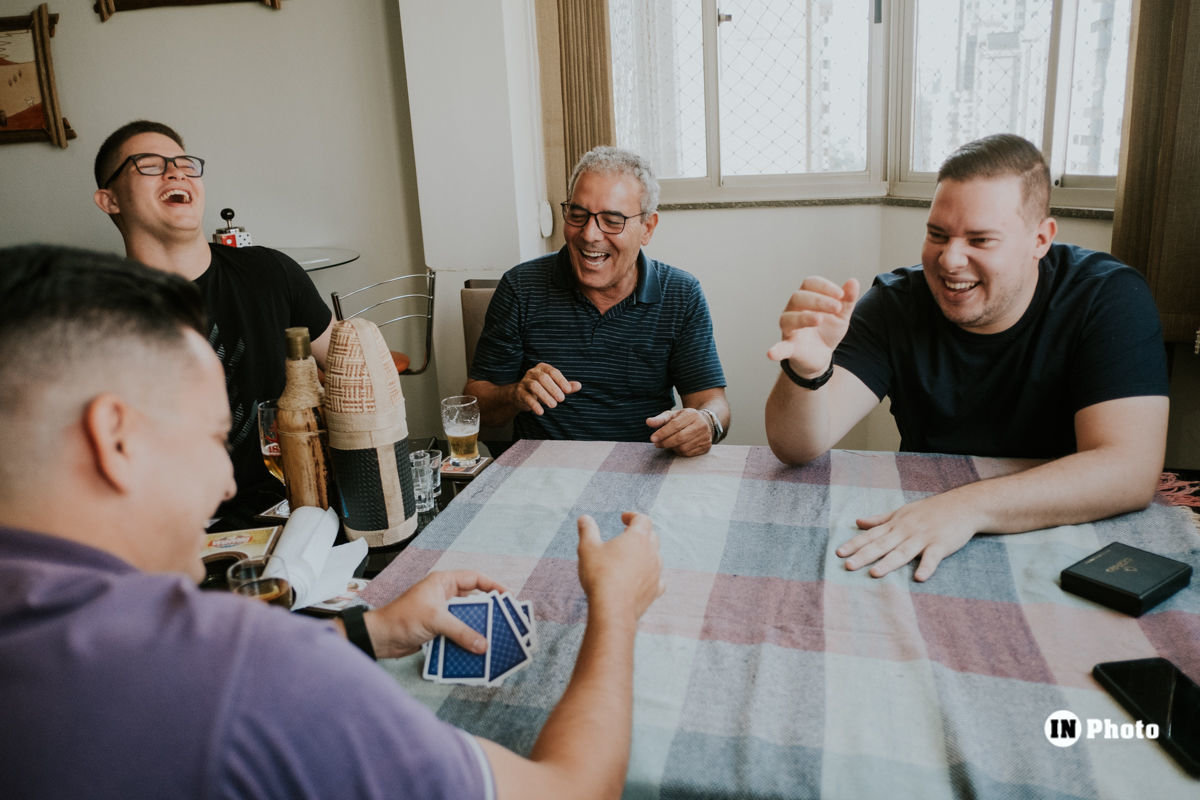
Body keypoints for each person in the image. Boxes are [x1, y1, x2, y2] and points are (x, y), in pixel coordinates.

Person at [0, 244, 666, 798]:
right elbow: (573, 791)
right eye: (211, 438)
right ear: (117, 439)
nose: (230, 480)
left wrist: (370, 628)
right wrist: (615, 607)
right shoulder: (243, 667)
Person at [764, 134, 1169, 582]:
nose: (950, 259)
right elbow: (796, 447)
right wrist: (806, 372)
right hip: (926, 537)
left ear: (1040, 238)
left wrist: (965, 506)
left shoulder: (1107, 297)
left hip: (1066, 538)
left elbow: (1129, 470)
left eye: (980, 239)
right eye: (937, 235)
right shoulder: (893, 305)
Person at [92, 119, 333, 524]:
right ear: (109, 200)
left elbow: (351, 370)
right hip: (168, 533)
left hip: (298, 512)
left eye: (184, 163)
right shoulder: (89, 315)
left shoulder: (271, 272)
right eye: (149, 164)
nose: (175, 171)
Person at [466, 146, 731, 457]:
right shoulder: (520, 287)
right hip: (542, 469)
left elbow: (711, 401)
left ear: (647, 228)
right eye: (577, 215)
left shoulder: (681, 294)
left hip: (643, 466)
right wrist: (514, 394)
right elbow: (477, 412)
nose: (590, 234)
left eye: (612, 220)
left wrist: (706, 421)